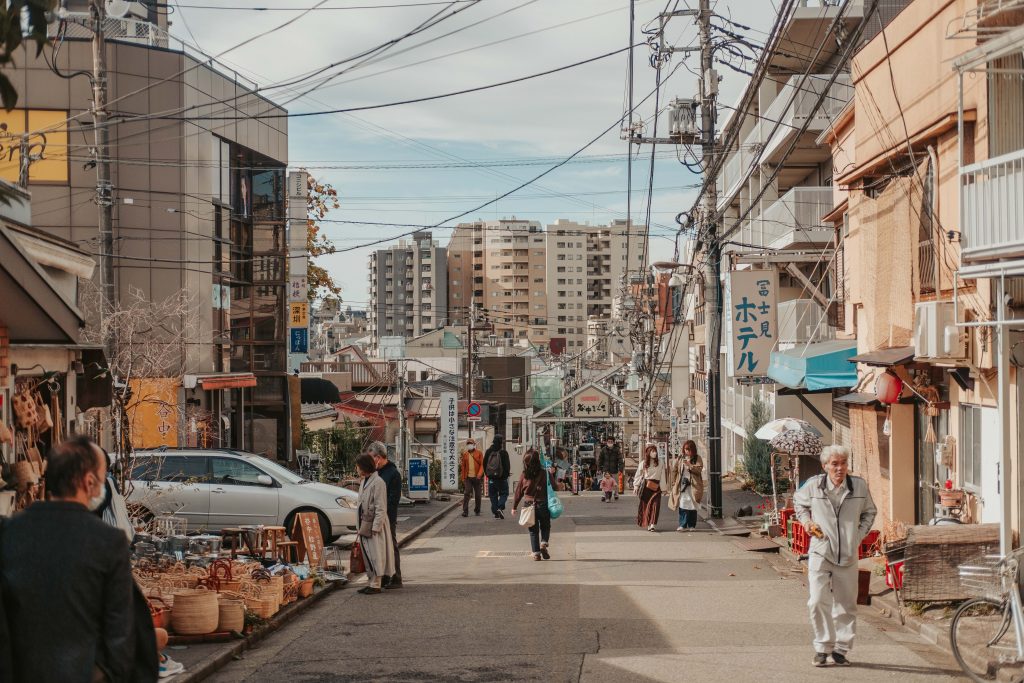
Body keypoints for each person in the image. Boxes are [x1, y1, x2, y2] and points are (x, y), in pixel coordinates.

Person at [0, 436, 152, 682]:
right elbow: (120, 635)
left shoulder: (9, 533)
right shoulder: (108, 542)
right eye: (103, 480)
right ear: (89, 482)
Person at [793, 445, 877, 668]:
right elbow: (798, 503)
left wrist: (857, 536)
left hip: (848, 554)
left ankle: (841, 649)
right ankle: (822, 647)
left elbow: (870, 512)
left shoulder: (858, 485)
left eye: (843, 463)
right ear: (825, 466)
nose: (840, 468)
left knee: (846, 604)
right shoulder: (814, 486)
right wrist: (807, 523)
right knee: (817, 600)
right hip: (820, 551)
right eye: (835, 464)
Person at [354, 453, 396, 595]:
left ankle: (376, 584)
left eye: (358, 466)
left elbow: (381, 507)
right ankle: (372, 582)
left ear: (364, 467)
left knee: (376, 554)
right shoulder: (364, 481)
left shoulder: (378, 482)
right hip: (365, 523)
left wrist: (376, 527)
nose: (357, 469)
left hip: (374, 525)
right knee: (368, 553)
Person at [512, 449, 557, 561]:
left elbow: (519, 492)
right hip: (543, 503)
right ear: (538, 461)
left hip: (528, 504)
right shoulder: (545, 473)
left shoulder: (524, 475)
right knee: (545, 525)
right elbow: (554, 486)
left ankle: (536, 554)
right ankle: (544, 542)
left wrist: (514, 507)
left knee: (533, 530)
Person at [369, 441, 403, 590]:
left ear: (378, 457)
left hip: (388, 517)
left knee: (391, 546)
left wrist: (383, 515)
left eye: (372, 458)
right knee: (380, 548)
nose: (371, 462)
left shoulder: (393, 473)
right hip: (377, 516)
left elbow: (393, 499)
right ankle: (383, 577)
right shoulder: (376, 472)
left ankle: (396, 578)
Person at [633, 444, 667, 532]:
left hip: (657, 487)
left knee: (656, 505)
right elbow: (638, 475)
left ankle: (653, 524)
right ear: (648, 452)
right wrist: (636, 486)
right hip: (646, 487)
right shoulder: (643, 463)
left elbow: (663, 476)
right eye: (652, 451)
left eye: (655, 451)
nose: (654, 453)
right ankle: (648, 523)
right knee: (646, 506)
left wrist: (664, 488)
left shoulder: (660, 462)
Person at [676, 440, 704, 531]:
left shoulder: (697, 458)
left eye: (688, 449)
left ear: (693, 450)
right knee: (683, 504)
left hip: (693, 485)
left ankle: (692, 525)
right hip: (683, 485)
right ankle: (682, 525)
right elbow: (674, 470)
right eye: (685, 449)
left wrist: (690, 465)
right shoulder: (680, 458)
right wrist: (674, 483)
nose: (686, 451)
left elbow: (699, 470)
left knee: (693, 505)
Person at [483, 435, 511, 519]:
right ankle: (500, 507)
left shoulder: (488, 452)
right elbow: (507, 466)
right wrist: (505, 475)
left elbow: (484, 464)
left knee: (493, 495)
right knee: (504, 493)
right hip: (502, 478)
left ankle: (496, 512)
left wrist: (488, 474)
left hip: (491, 478)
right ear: (501, 442)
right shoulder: (503, 452)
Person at [460, 438, 484, 517]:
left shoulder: (479, 453)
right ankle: (465, 511)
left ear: (474, 445)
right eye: (468, 444)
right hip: (468, 477)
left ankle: (477, 510)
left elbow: (482, 465)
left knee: (478, 495)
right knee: (467, 493)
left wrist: (479, 475)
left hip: (477, 477)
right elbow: (463, 467)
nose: (469, 445)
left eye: (471, 443)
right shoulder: (465, 454)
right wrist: (463, 478)